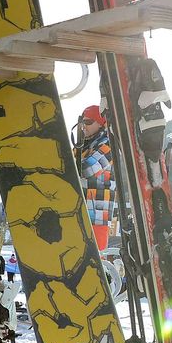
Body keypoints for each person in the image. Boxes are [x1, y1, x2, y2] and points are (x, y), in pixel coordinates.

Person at [74, 105, 117, 254]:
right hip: (78, 211)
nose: (83, 126)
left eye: (88, 122)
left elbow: (87, 169)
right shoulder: (84, 145)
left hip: (97, 215)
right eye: (82, 123)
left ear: (101, 123)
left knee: (95, 259)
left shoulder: (108, 144)